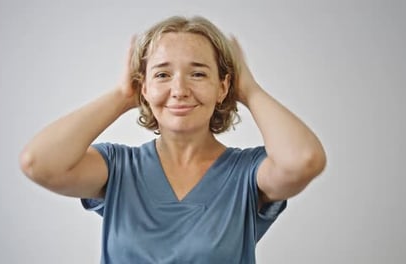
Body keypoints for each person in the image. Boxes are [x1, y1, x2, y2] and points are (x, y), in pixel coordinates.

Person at [19, 15, 326, 263]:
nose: (179, 90)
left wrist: (250, 91)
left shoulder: (247, 173)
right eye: (163, 75)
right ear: (144, 88)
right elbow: (39, 163)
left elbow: (303, 161)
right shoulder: (118, 167)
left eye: (198, 74)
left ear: (223, 87)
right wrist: (121, 96)